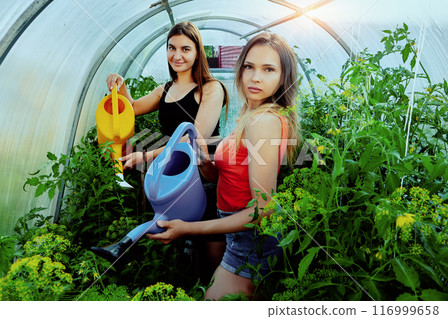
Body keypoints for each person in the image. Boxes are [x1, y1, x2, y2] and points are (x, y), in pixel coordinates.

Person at [148, 32, 300, 300]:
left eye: (268, 69)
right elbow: (238, 174)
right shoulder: (252, 114)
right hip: (236, 231)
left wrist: (187, 228)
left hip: (251, 241)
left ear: (283, 77)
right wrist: (209, 166)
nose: (255, 77)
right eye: (249, 67)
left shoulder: (262, 121)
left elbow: (263, 210)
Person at [92, 21, 228, 280]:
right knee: (175, 244)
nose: (177, 55)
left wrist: (146, 156)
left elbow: (193, 139)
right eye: (171, 48)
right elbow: (129, 107)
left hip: (203, 177)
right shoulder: (164, 90)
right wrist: (118, 86)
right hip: (171, 177)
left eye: (186, 49)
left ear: (198, 52)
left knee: (211, 253)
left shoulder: (211, 89)